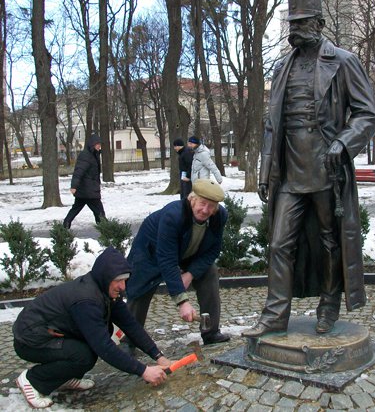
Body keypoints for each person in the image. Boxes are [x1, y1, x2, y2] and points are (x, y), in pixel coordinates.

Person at [242, 0, 375, 338]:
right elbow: (272, 124)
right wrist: (265, 172)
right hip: (288, 171)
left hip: (326, 169)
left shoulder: (344, 61)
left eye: (303, 23)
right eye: (293, 23)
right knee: (278, 243)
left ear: (319, 24)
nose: (296, 29)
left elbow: (367, 114)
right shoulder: (282, 66)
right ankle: (275, 314)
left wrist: (342, 143)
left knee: (329, 241)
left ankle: (329, 304)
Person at [13, 247, 172, 409]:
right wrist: (144, 371)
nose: (123, 286)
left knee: (90, 348)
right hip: (30, 339)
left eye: (125, 280)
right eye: (118, 280)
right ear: (105, 276)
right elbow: (104, 347)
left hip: (54, 332)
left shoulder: (106, 290)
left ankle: (63, 377)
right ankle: (32, 380)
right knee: (83, 356)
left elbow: (130, 325)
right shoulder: (87, 300)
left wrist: (158, 355)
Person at [125, 179, 230, 347]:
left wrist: (190, 274)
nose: (205, 210)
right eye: (202, 203)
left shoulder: (219, 216)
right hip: (150, 252)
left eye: (211, 206)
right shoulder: (173, 215)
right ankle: (130, 339)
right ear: (192, 199)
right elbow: (167, 259)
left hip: (188, 253)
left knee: (209, 272)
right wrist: (182, 301)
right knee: (140, 289)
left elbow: (212, 251)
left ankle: (211, 332)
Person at [63, 134, 106, 229]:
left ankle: (65, 225)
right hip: (88, 190)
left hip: (85, 190)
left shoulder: (93, 154)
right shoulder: (86, 155)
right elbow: (79, 171)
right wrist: (74, 186)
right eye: (98, 144)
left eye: (100, 144)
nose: (99, 146)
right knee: (99, 212)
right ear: (92, 144)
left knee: (76, 209)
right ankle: (106, 231)